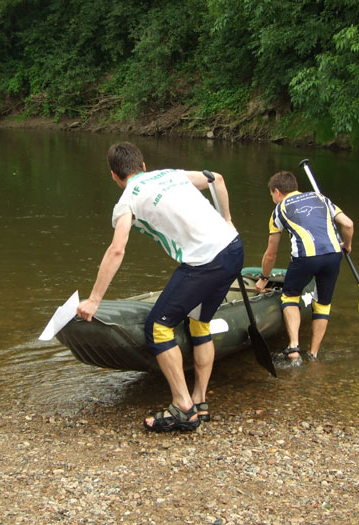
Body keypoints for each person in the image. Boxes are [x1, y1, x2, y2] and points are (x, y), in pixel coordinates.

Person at [77, 142, 243, 432]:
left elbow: (117, 250)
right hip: (233, 248)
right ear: (143, 166)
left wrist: (93, 300)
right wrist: (227, 220)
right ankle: (199, 401)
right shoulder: (170, 173)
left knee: (158, 326)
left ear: (114, 176)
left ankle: (182, 407)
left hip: (205, 262)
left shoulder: (126, 200)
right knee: (199, 322)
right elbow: (217, 178)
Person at [255, 170, 354, 361]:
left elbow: (271, 253)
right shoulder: (321, 198)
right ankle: (313, 354)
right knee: (323, 304)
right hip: (333, 255)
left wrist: (264, 278)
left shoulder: (279, 209)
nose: (273, 199)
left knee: (290, 295)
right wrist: (347, 246)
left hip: (306, 258)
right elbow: (348, 224)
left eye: (271, 195)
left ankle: (293, 347)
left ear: (277, 191)